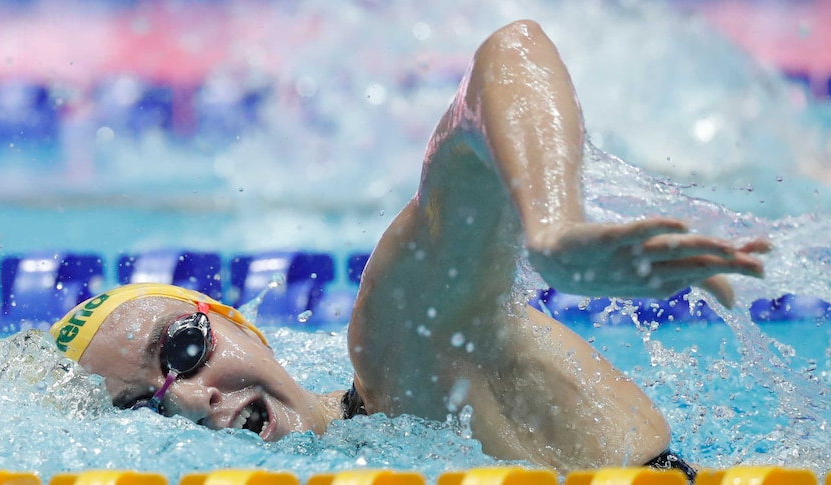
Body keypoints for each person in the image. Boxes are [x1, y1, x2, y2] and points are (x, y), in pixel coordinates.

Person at [49, 20, 768, 481]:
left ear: (235, 319)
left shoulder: (401, 353)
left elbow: (507, 57)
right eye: (141, 408)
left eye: (181, 349)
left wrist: (552, 229)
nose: (193, 399)